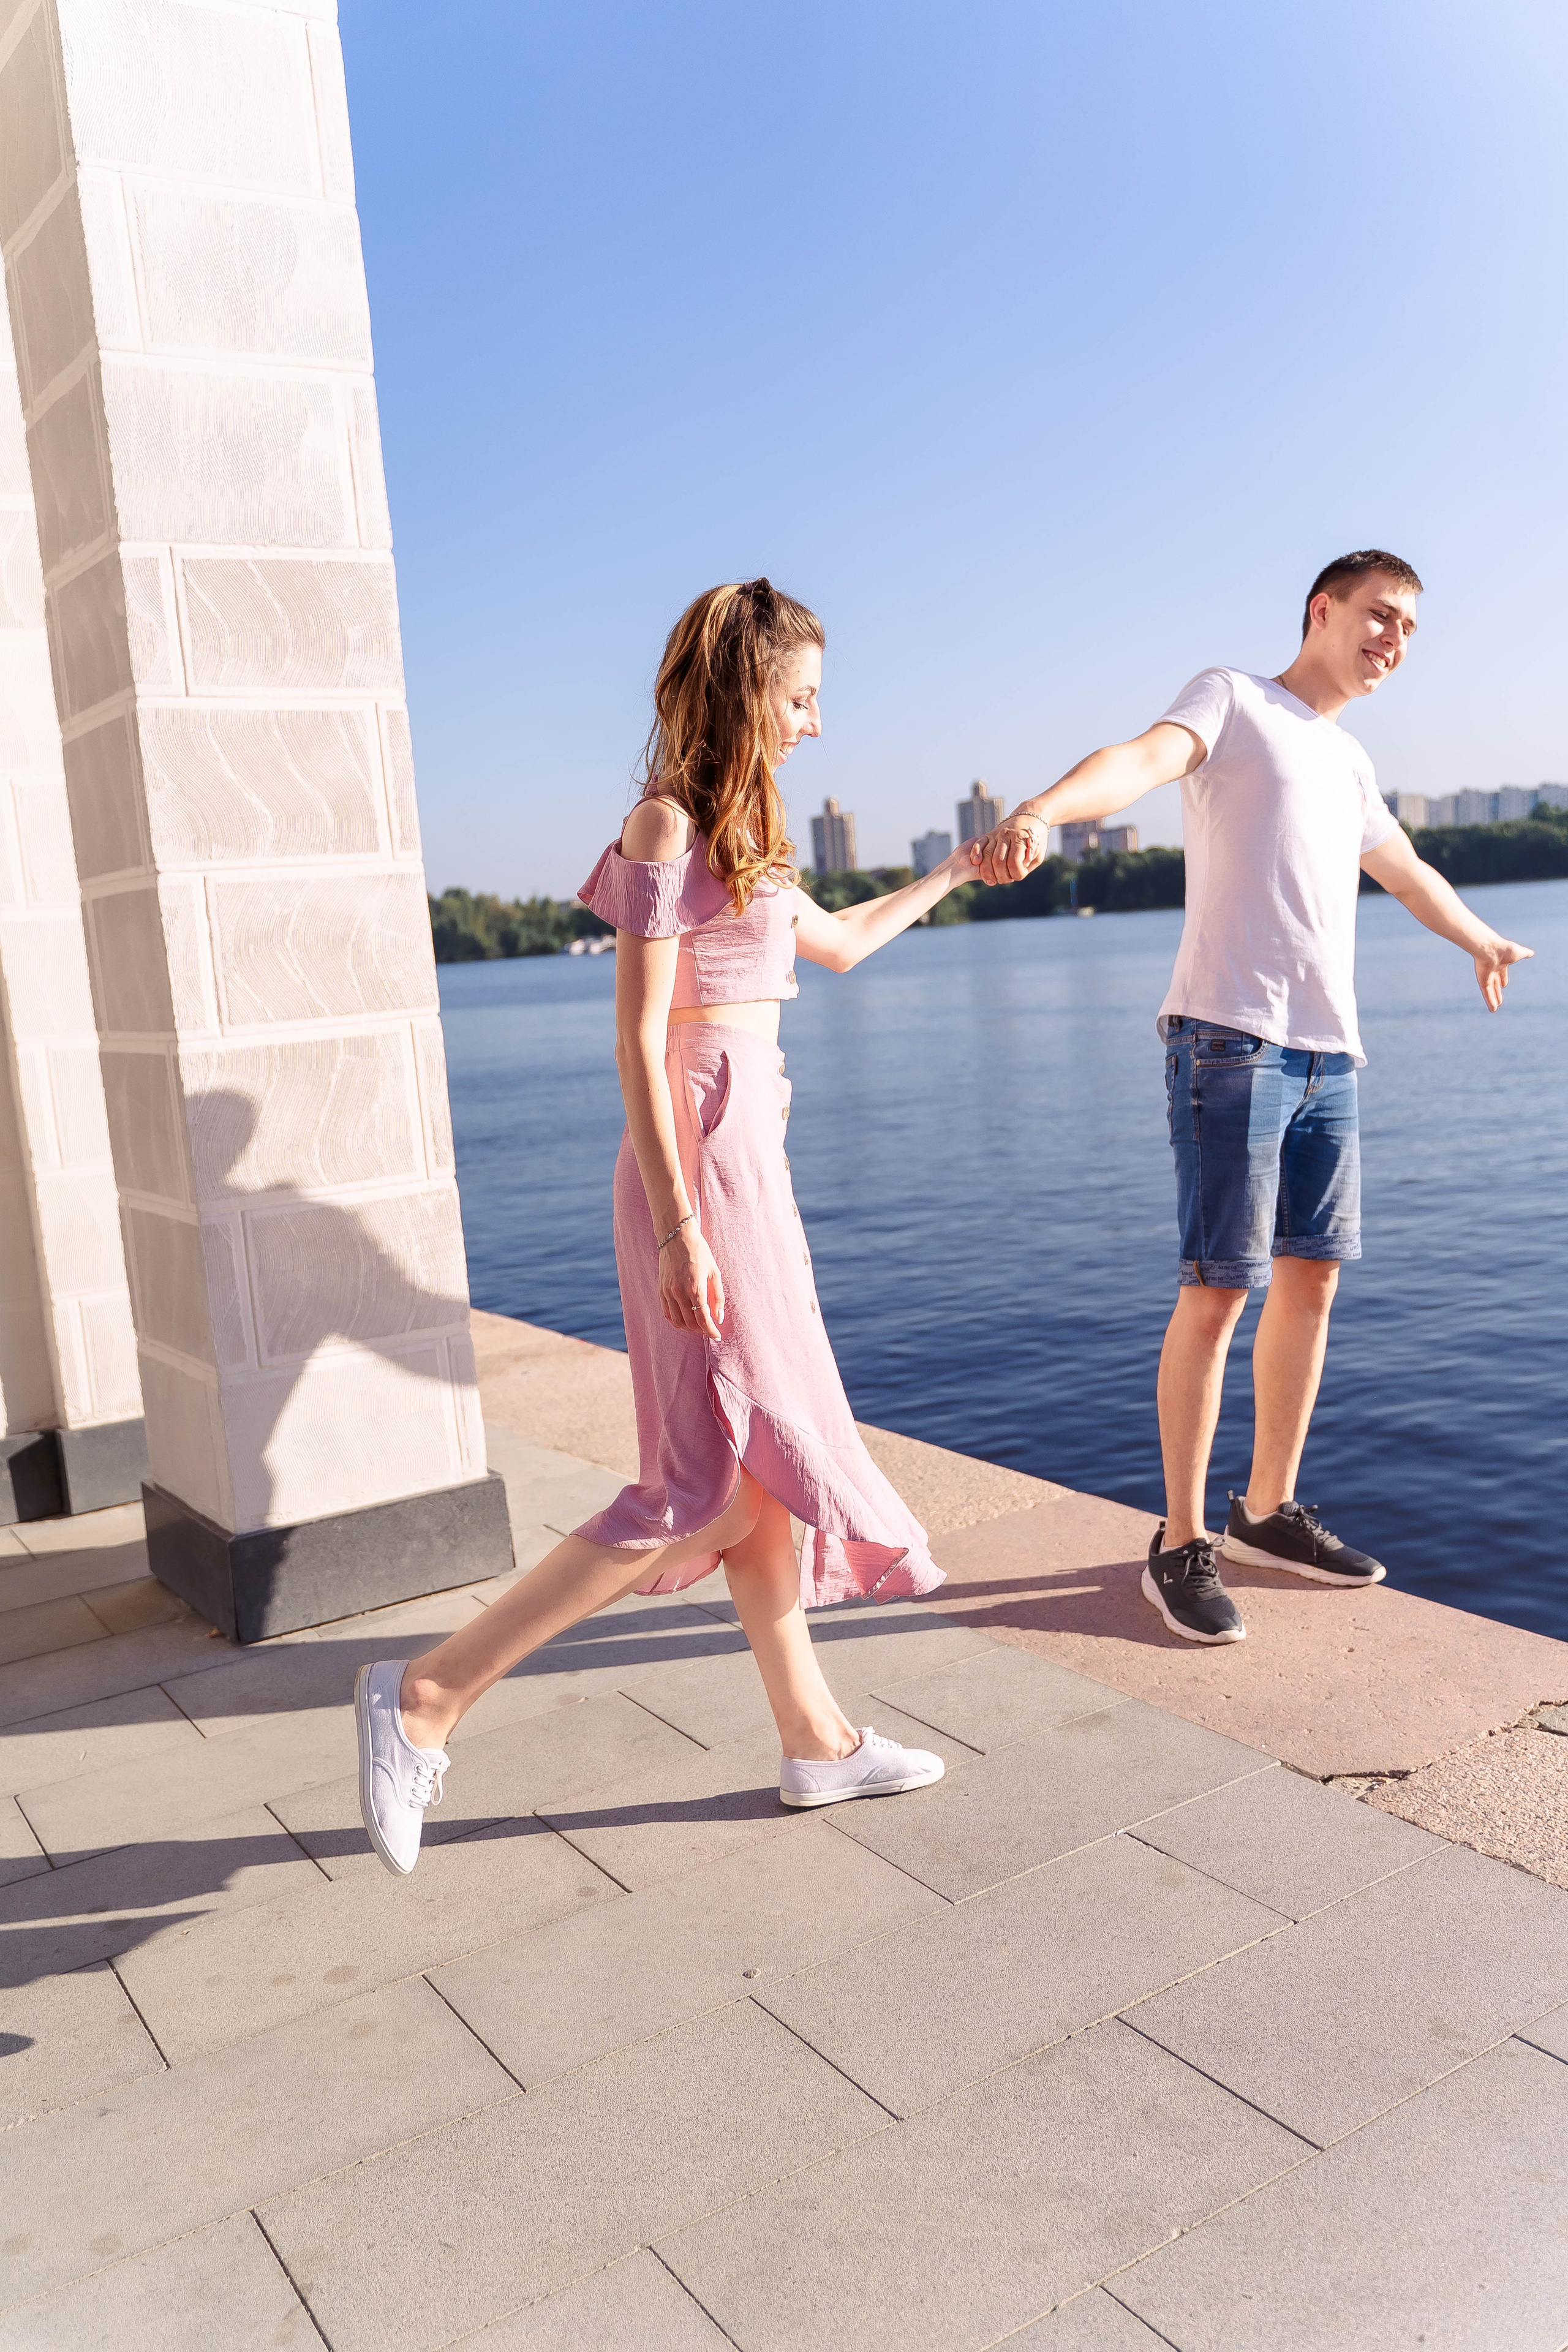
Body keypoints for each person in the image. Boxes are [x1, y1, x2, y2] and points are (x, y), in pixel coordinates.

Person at [356, 578, 974, 1874]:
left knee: (752, 1474)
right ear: (747, 687)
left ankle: (814, 1743)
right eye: (801, 696)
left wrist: (964, 865)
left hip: (749, 1163)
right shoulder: (665, 826)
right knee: (699, 1482)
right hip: (692, 1167)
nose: (814, 723)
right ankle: (427, 1697)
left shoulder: (750, 837)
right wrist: (681, 1227)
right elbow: (639, 1043)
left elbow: (842, 947)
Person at [970, 550, 1533, 1646]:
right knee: (1219, 1291)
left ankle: (1263, 1513)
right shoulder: (1235, 699)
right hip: (1230, 1041)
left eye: (1410, 627)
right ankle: (1179, 1540)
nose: (1394, 641)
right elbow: (1135, 761)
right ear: (1324, 610)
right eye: (1379, 616)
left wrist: (1479, 938)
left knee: (1310, 1286)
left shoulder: (1351, 758)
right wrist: (1043, 809)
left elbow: (1406, 870)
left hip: (1329, 1055)